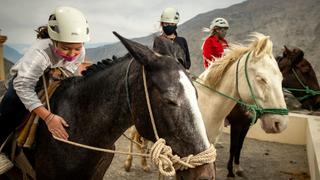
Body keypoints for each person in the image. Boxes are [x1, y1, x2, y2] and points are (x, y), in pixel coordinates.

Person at [0, 6, 89, 174]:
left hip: (52, 81)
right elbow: (23, 85)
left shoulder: (80, 51)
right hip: (24, 85)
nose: (72, 53)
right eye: (65, 48)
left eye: (77, 48)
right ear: (54, 40)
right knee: (9, 113)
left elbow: (70, 69)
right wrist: (48, 117)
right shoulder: (39, 53)